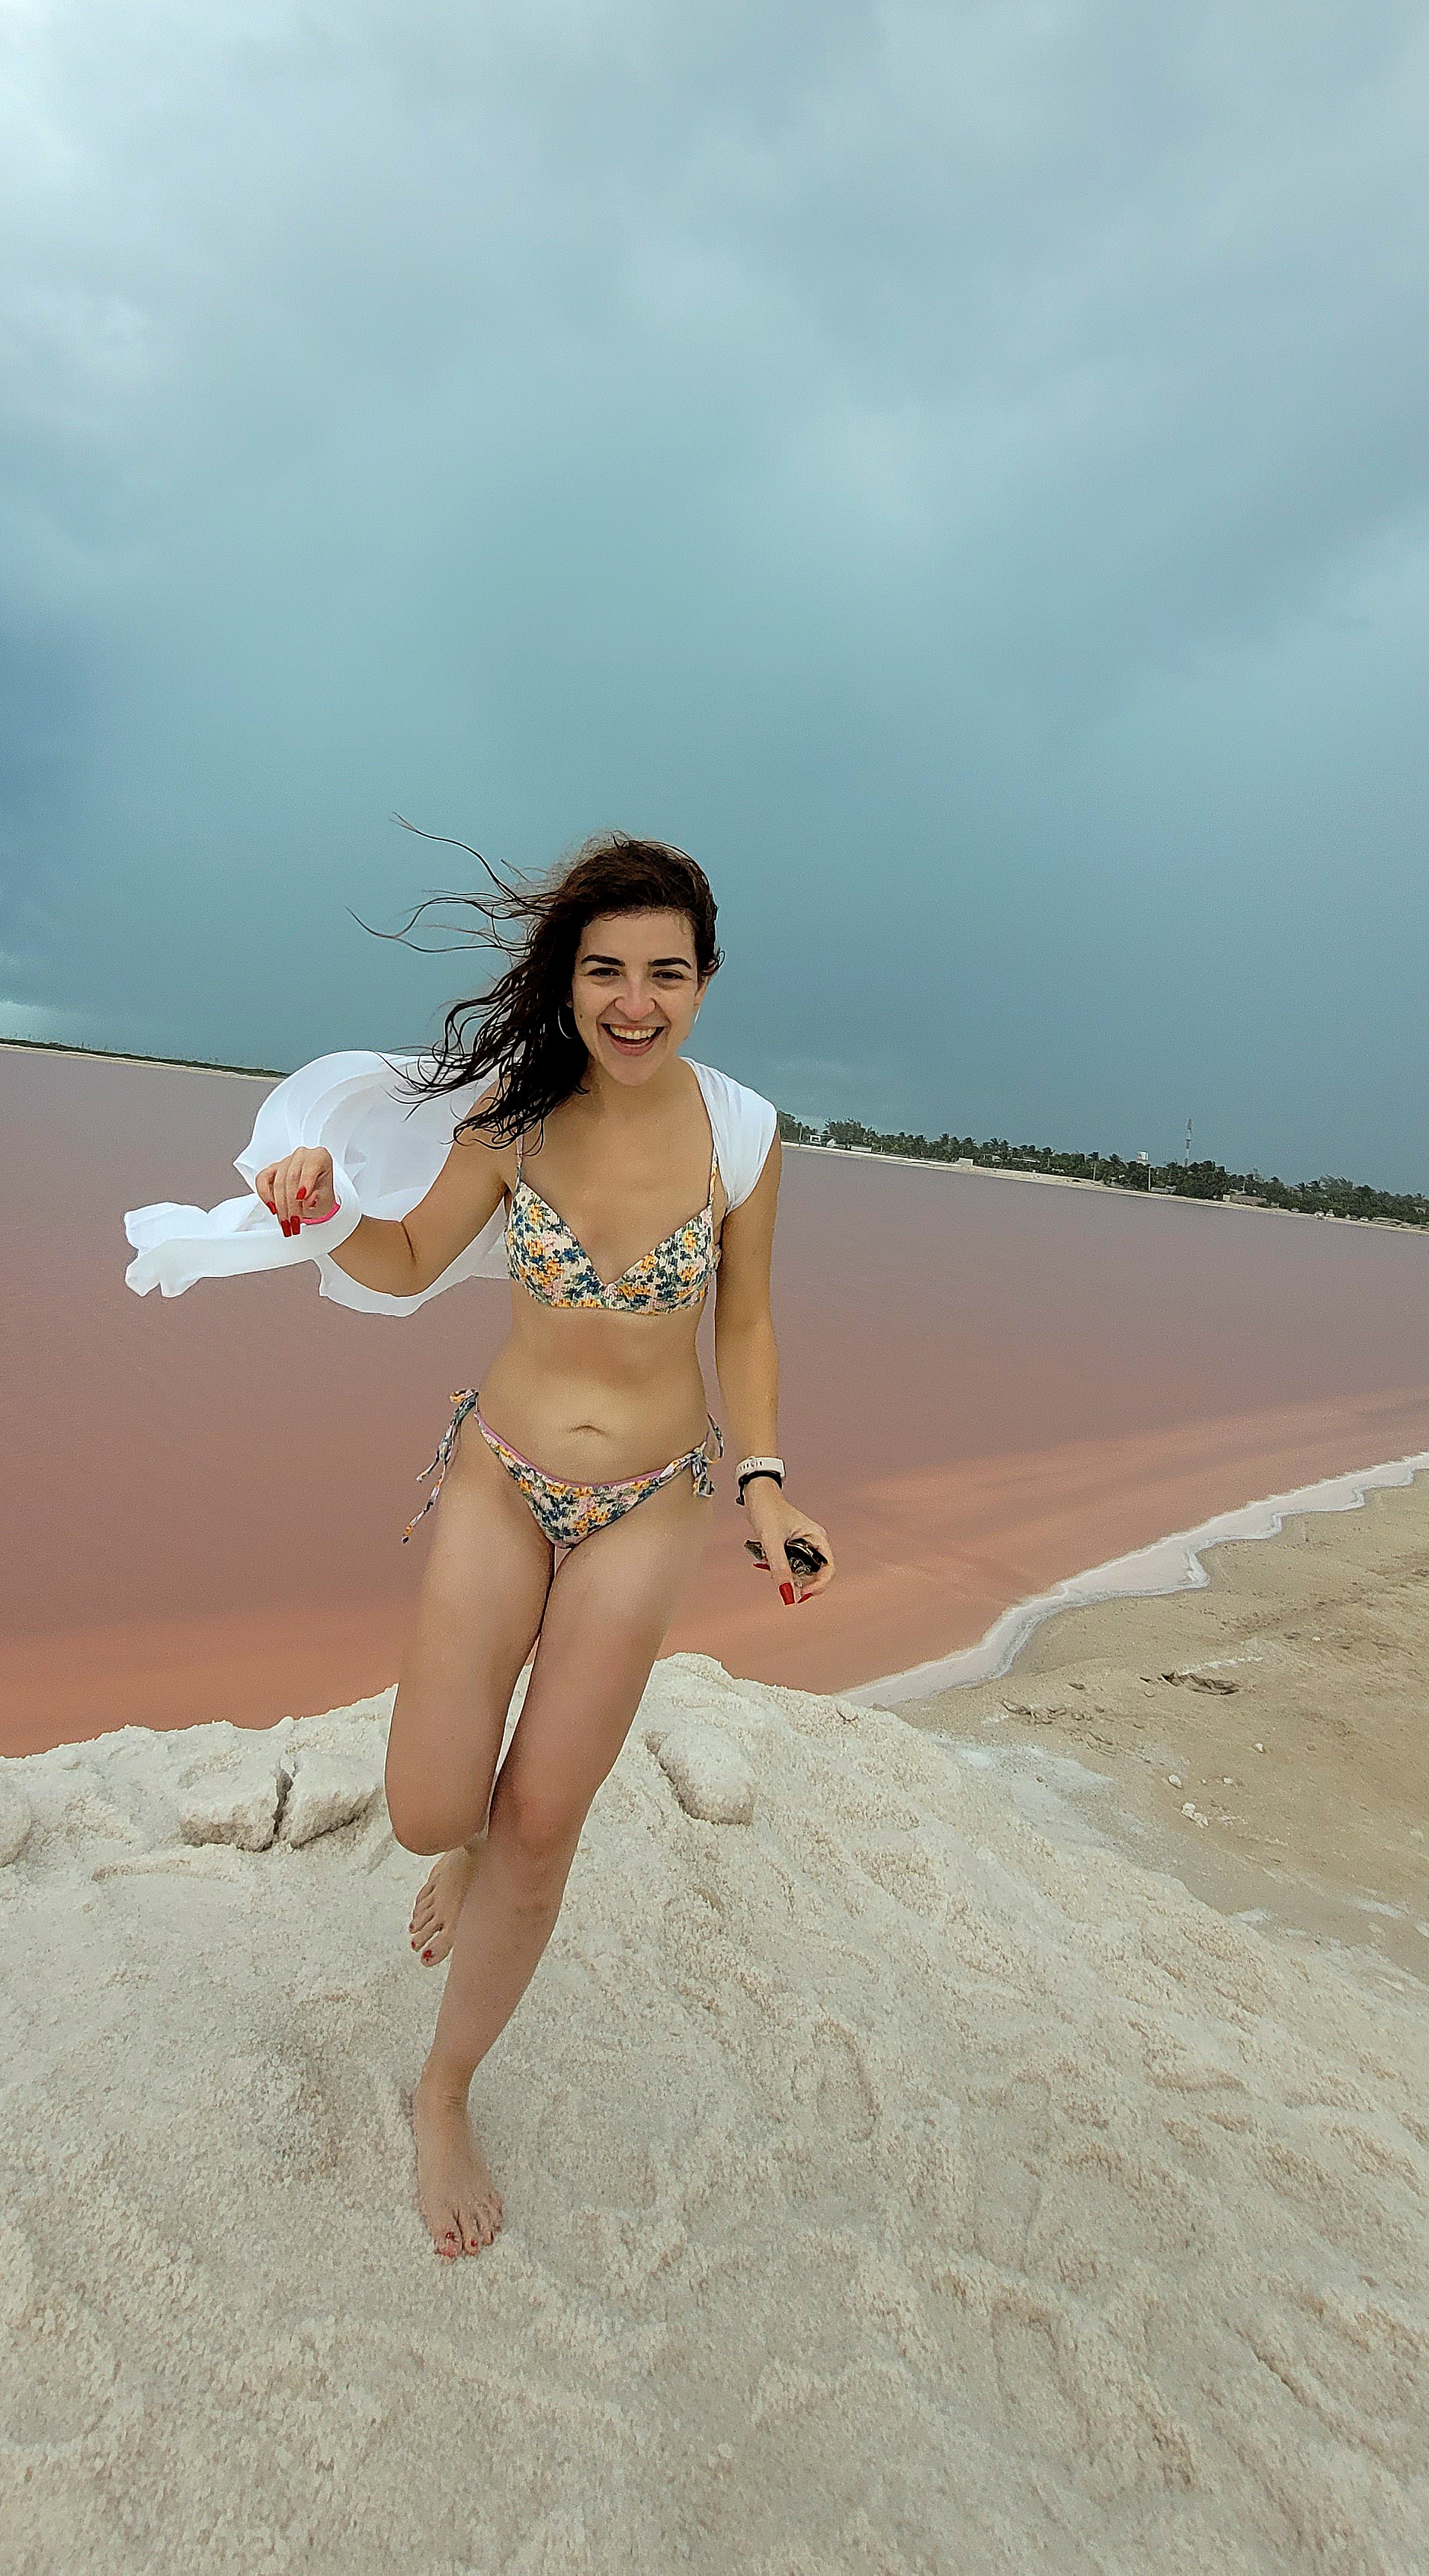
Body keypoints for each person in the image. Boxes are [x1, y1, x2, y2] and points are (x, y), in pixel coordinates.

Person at [125, 832, 835, 2259]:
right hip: (502, 1477)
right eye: (606, 971)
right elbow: (398, 1260)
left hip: (654, 1499)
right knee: (429, 1812)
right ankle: (460, 1855)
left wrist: (767, 1484)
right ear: (569, 980)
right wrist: (320, 1208)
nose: (634, 1002)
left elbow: (747, 1321)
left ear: (704, 983)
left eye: (666, 974)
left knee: (540, 1824)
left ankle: (444, 2092)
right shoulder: (512, 1119)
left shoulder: (744, 1135)